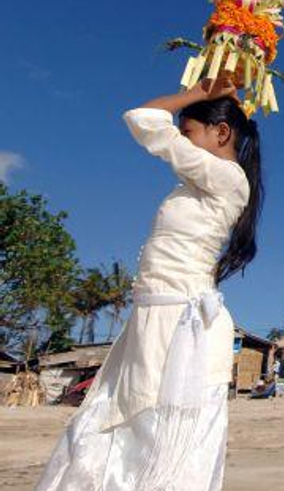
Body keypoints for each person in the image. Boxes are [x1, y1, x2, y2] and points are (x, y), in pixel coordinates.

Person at [35, 73, 263, 491]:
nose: (183, 138)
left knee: (156, 435)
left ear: (222, 132)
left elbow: (142, 119)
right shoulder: (196, 185)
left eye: (189, 132)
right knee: (118, 429)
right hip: (155, 315)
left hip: (179, 321)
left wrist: (199, 93)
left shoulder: (228, 179)